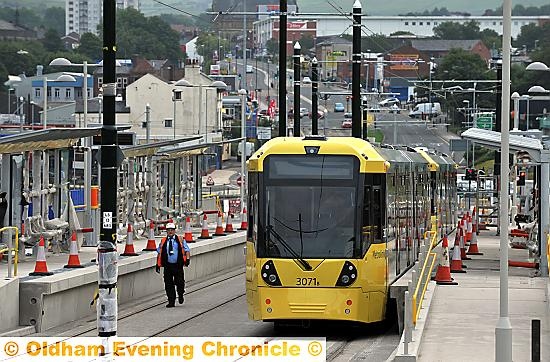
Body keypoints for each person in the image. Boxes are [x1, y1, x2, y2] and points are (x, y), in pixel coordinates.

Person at [156, 222, 190, 308]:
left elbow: (187, 250)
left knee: (180, 282)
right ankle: (171, 301)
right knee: (168, 284)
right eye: (168, 230)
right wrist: (158, 264)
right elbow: (159, 252)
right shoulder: (163, 241)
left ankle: (181, 294)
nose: (170, 232)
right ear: (166, 231)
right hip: (168, 266)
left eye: (172, 230)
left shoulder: (181, 239)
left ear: (175, 231)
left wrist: (188, 259)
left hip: (178, 265)